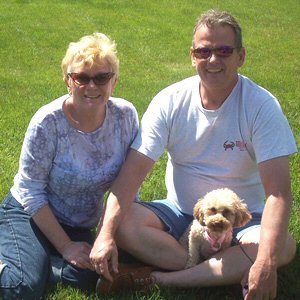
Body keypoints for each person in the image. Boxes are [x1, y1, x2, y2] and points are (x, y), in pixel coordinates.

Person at [90, 9, 298, 300]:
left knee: (282, 246)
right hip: (178, 212)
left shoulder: (261, 106)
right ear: (192, 56)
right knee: (121, 222)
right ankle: (212, 266)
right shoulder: (170, 101)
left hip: (243, 220)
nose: (213, 59)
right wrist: (106, 234)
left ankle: (157, 278)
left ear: (241, 56)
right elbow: (131, 174)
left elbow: (278, 193)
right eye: (204, 51)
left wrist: (265, 262)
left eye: (224, 51)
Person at [0, 32, 139, 299]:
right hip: (30, 213)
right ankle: (28, 261)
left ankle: (38, 264)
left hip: (78, 223)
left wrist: (109, 235)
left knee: (99, 271)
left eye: (101, 77)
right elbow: (30, 191)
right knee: (22, 287)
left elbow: (128, 183)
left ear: (115, 82)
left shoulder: (125, 116)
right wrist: (65, 247)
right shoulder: (47, 122)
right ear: (68, 80)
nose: (91, 86)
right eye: (81, 77)